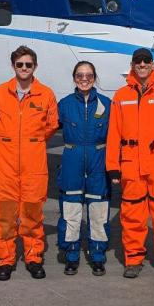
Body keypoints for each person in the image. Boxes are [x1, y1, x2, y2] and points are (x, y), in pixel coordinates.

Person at [106, 48, 154, 281]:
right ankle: (133, 260)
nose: (142, 65)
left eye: (146, 61)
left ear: (153, 64)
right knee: (132, 216)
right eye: (138, 61)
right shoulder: (121, 96)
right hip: (131, 165)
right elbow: (114, 135)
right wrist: (113, 166)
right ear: (132, 65)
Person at [0, 45, 59, 280]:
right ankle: (6, 259)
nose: (24, 68)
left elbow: (51, 126)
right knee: (5, 216)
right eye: (20, 64)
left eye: (28, 65)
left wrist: (32, 142)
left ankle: (33, 257)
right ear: (13, 66)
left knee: (32, 215)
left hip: (33, 168)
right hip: (6, 168)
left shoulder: (46, 94)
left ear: (35, 67)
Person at [56, 61, 112, 276]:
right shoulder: (65, 104)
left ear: (94, 77)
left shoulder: (106, 104)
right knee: (71, 211)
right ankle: (71, 255)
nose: (84, 78)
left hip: (98, 160)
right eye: (80, 75)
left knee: (98, 211)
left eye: (88, 75)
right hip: (72, 159)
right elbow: (45, 127)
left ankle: (97, 256)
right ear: (74, 78)